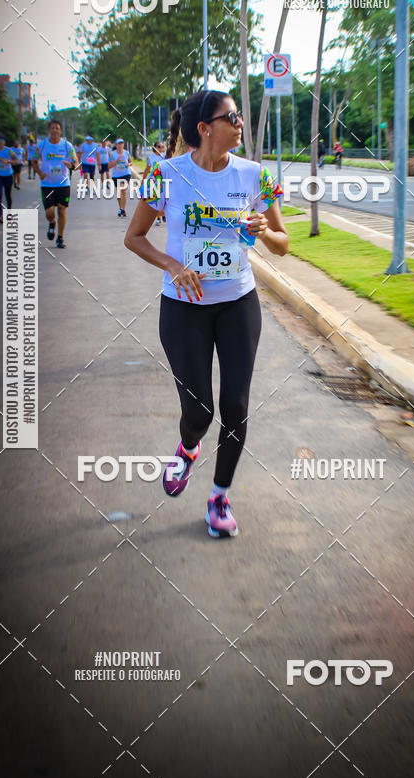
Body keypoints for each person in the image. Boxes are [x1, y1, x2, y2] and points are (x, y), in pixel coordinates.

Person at [125, 89, 288, 538]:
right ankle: (188, 446)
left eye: (240, 116)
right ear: (204, 128)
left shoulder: (256, 175)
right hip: (184, 309)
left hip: (238, 303)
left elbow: (283, 243)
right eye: (232, 117)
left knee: (236, 405)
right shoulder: (165, 174)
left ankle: (219, 497)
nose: (240, 123)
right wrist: (173, 265)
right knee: (199, 411)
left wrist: (262, 232)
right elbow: (134, 236)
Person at [32, 119, 75, 248]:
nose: (55, 130)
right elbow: (33, 160)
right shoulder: (41, 145)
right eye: (52, 128)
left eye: (57, 128)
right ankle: (52, 223)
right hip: (47, 185)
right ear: (49, 130)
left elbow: (76, 162)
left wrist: (71, 165)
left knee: (62, 210)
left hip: (63, 184)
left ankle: (60, 238)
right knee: (49, 212)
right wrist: (39, 172)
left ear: (60, 130)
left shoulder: (67, 146)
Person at [0, 135, 17, 223]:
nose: (0, 142)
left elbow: (16, 161)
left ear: (4, 142)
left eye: (2, 141)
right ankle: (0, 215)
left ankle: (9, 213)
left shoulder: (9, 151)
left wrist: (8, 161)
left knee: (8, 195)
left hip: (8, 175)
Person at [108, 138, 137, 217]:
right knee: (118, 192)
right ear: (116, 145)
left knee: (123, 190)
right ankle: (120, 208)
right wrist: (117, 161)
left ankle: (123, 209)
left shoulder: (126, 153)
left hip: (126, 174)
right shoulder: (112, 154)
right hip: (116, 175)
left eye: (122, 143)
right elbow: (109, 166)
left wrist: (129, 164)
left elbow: (131, 162)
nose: (120, 145)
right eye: (119, 144)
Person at [143, 141, 167, 224]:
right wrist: (143, 179)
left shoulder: (165, 156)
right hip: (154, 180)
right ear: (155, 148)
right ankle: (158, 218)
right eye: (159, 146)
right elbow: (147, 169)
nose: (161, 148)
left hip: (164, 181)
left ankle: (163, 214)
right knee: (156, 199)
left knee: (164, 198)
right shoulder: (151, 158)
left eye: (162, 146)